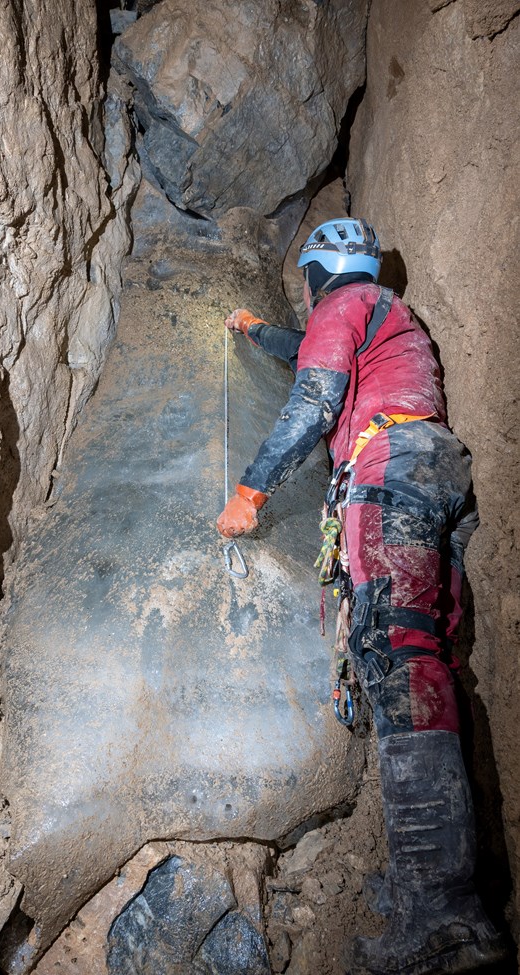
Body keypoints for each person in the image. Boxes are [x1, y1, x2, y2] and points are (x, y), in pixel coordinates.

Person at [216, 218, 505, 975]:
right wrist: (255, 331)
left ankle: (445, 915)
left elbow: (315, 398)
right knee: (418, 657)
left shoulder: (341, 311)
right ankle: (429, 889)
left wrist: (252, 488)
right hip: (436, 470)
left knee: (397, 658)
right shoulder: (384, 313)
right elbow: (308, 353)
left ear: (316, 274)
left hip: (388, 471)